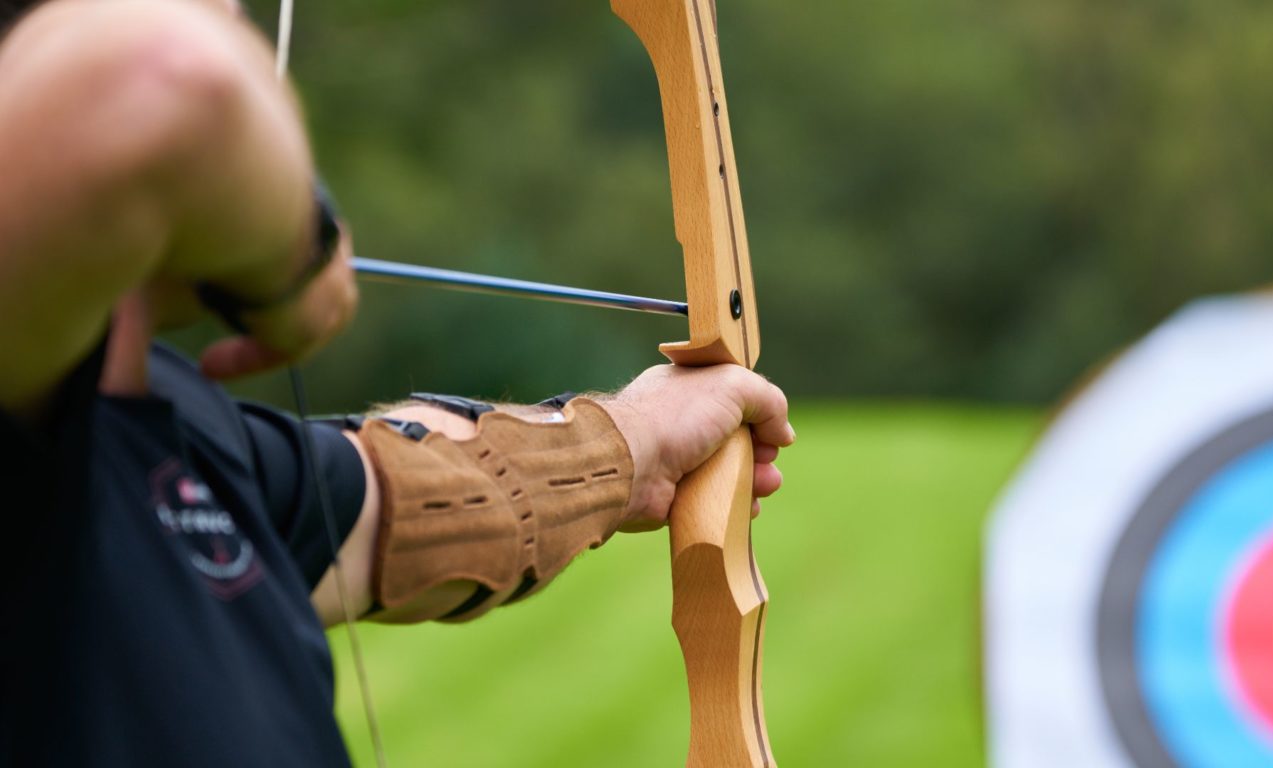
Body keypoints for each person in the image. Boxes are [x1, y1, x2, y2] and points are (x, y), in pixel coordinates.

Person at [0, 0, 794, 765]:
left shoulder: (177, 440)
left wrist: (641, 438)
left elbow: (414, 505)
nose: (234, 18)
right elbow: (164, 75)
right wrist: (297, 270)